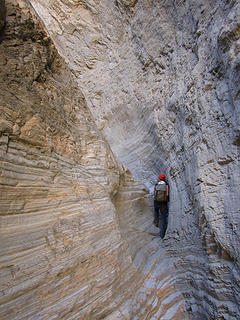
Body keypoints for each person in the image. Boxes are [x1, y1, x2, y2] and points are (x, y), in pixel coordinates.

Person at [153, 174, 169, 238]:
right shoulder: (166, 185)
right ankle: (163, 234)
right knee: (164, 217)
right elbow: (167, 194)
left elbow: (155, 193)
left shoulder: (157, 184)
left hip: (157, 201)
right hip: (163, 202)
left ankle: (156, 221)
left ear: (159, 179)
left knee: (156, 210)